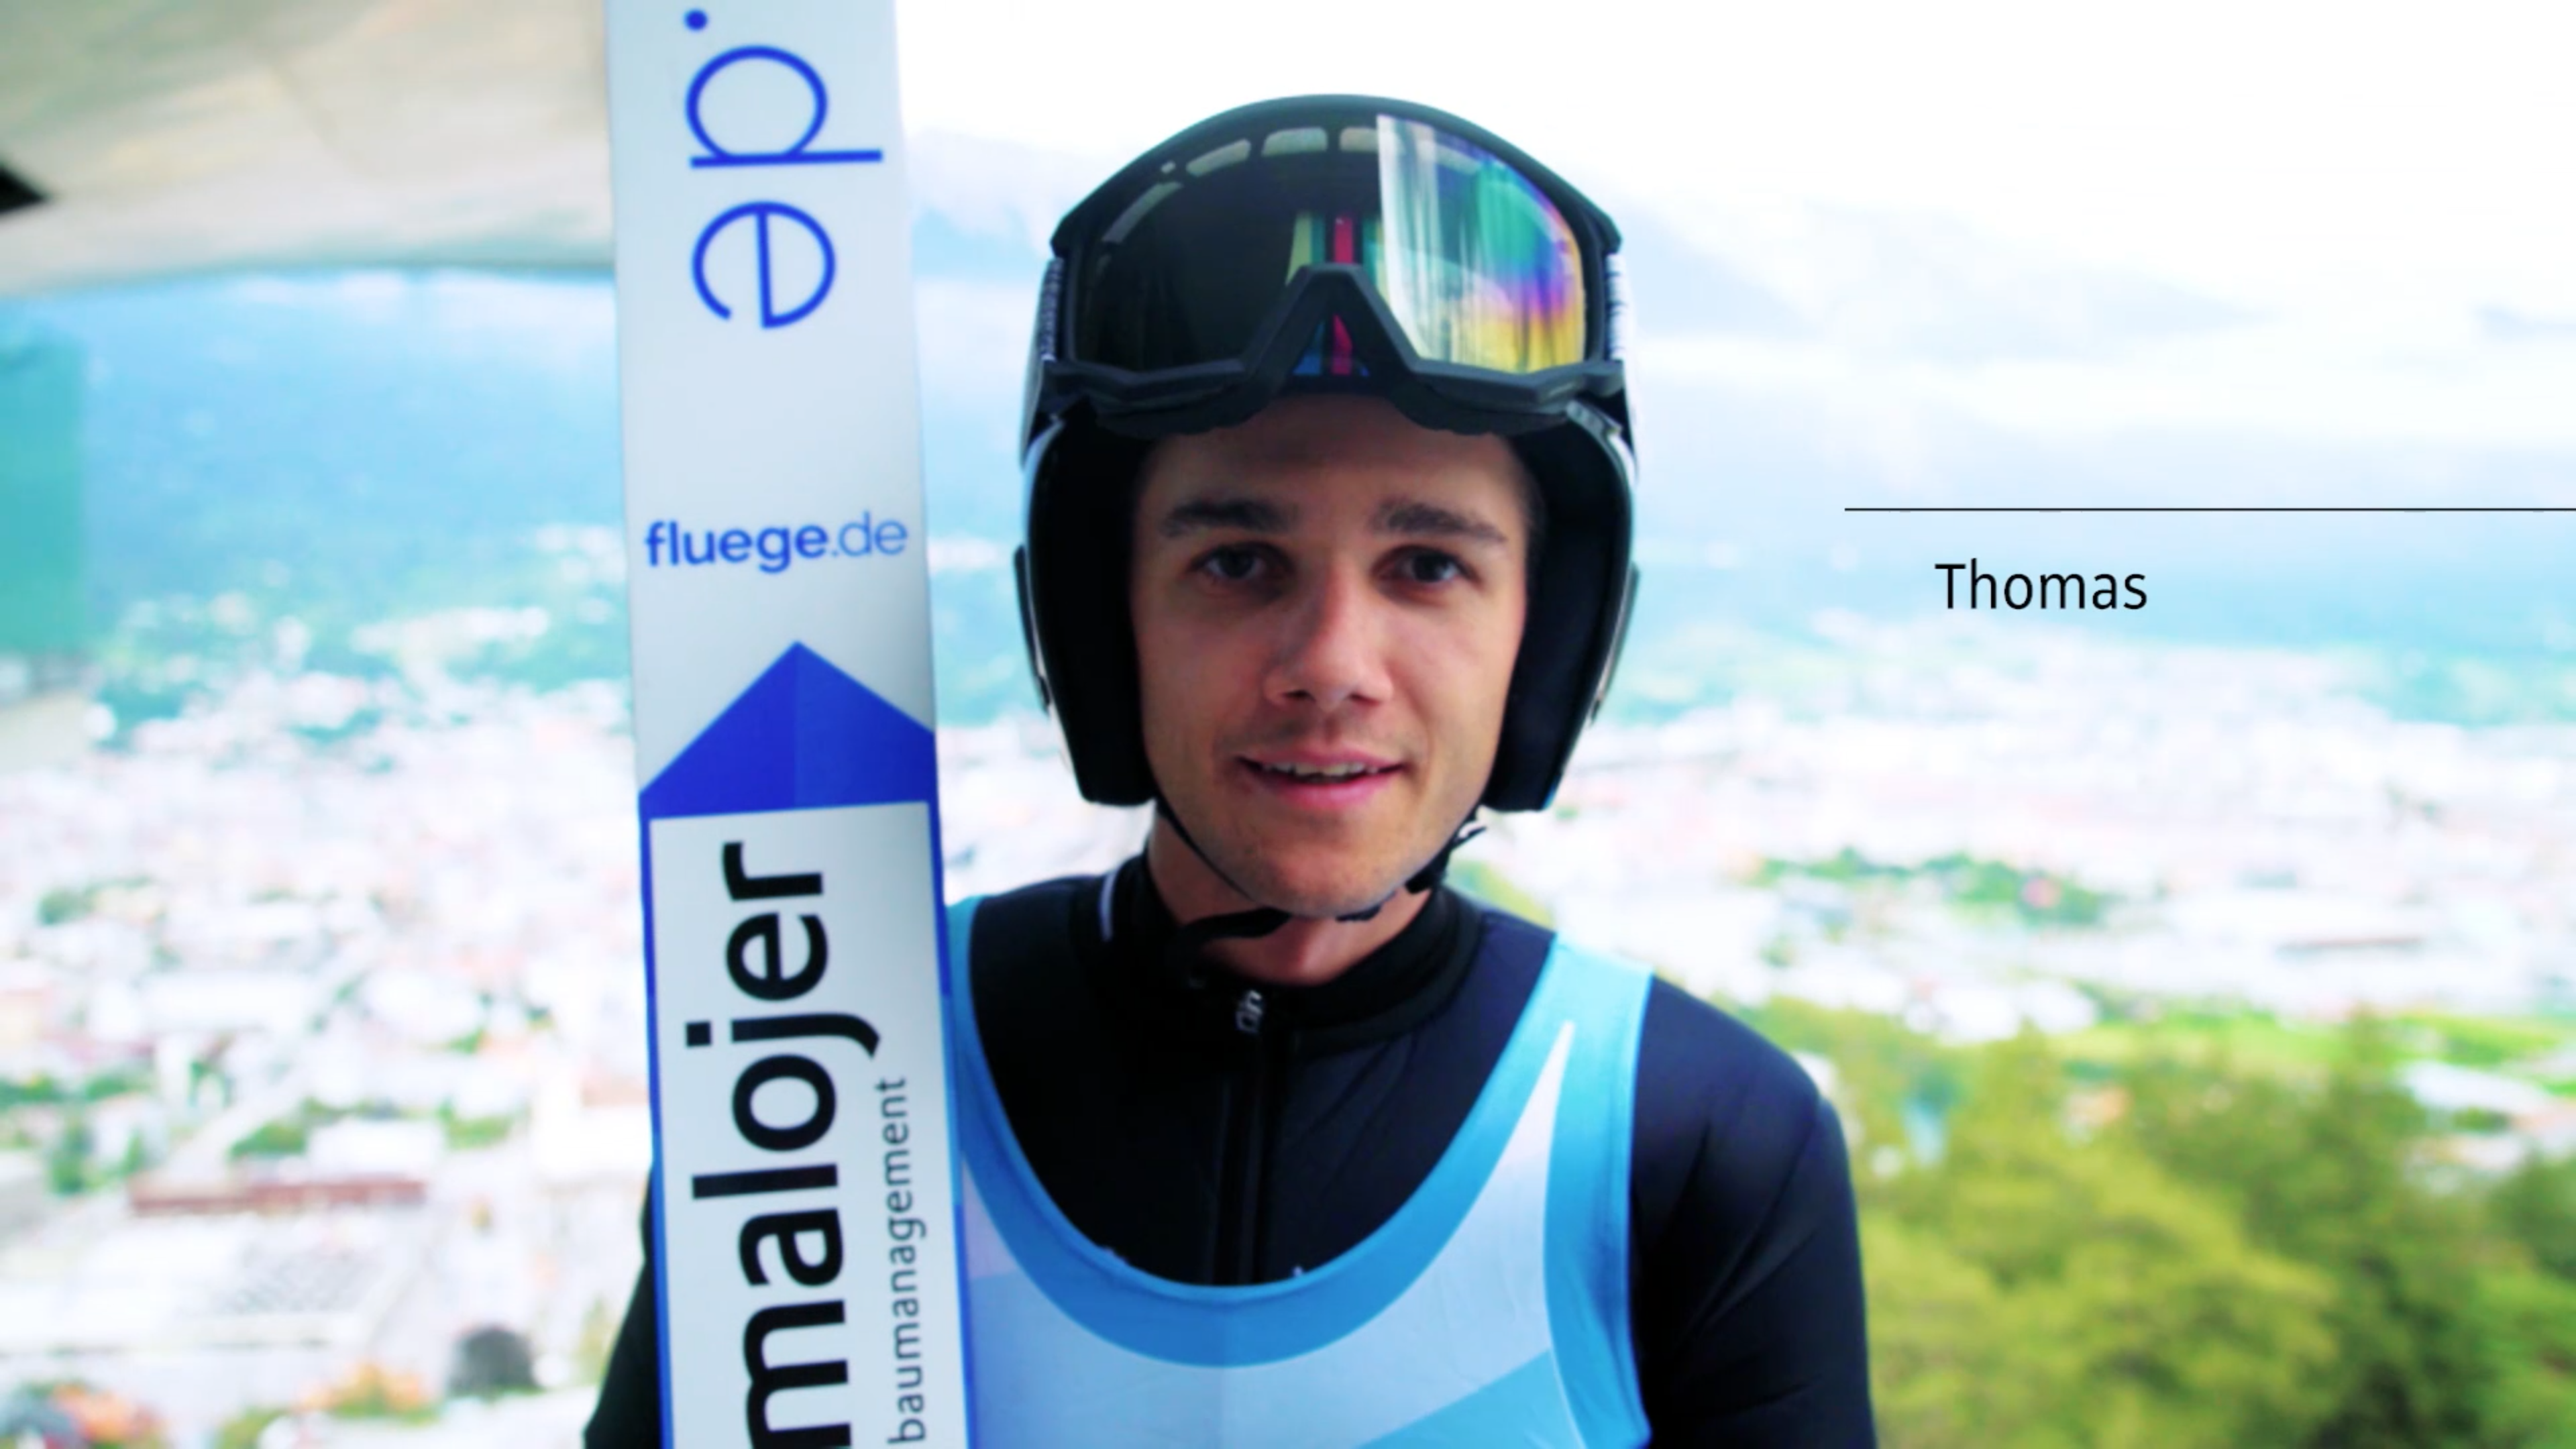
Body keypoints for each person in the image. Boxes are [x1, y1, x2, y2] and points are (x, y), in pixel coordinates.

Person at [588, 95, 1872, 1446]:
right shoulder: (831, 1063)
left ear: (1540, 638)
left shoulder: (1697, 1146)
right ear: (1105, 626)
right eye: (1238, 561)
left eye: (1428, 566)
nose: (1333, 664)